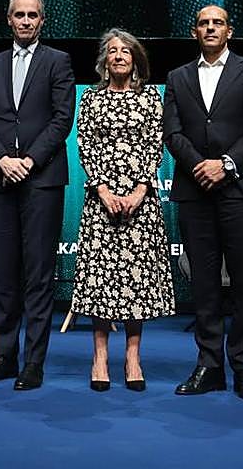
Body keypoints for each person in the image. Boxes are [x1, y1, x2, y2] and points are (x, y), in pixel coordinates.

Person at [163, 5, 243, 400]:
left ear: (229, 30)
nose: (210, 28)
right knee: (205, 284)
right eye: (203, 23)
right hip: (195, 191)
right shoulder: (177, 77)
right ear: (195, 32)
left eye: (218, 23)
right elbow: (171, 132)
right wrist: (200, 166)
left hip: (240, 189)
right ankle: (209, 366)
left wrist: (226, 164)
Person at [0, 0, 75, 390]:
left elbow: (62, 119)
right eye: (20, 15)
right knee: (4, 276)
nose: (27, 21)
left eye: (33, 15)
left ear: (43, 21)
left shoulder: (58, 61)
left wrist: (29, 161)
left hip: (42, 180)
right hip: (0, 180)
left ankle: (34, 363)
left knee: (37, 274)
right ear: (9, 20)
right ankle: (4, 356)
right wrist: (2, 160)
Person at [71, 28, 174, 392]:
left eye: (125, 51)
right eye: (112, 51)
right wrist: (102, 189)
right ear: (104, 60)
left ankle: (133, 356)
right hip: (100, 202)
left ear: (135, 59)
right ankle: (99, 357)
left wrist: (140, 190)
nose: (118, 56)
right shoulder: (92, 99)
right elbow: (86, 144)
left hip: (140, 203)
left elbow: (154, 144)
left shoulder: (149, 99)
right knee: (102, 281)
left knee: (137, 281)